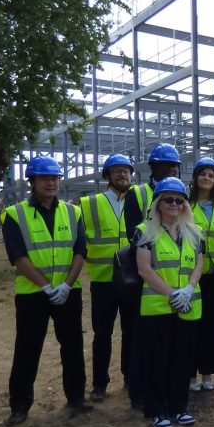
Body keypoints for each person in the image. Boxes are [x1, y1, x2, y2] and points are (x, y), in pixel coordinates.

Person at [1, 155, 90, 425]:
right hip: (33, 294)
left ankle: (76, 397)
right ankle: (20, 405)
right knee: (28, 348)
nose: (51, 182)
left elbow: (79, 251)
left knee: (73, 344)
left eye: (54, 177)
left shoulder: (73, 212)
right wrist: (46, 286)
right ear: (32, 181)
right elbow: (18, 256)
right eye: (44, 178)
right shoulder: (15, 214)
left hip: (67, 291)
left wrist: (65, 284)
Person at [133, 177, 202, 427]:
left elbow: (199, 264)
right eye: (169, 200)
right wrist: (173, 294)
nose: (175, 204)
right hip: (158, 308)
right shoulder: (144, 231)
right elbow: (144, 270)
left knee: (181, 360)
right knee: (157, 360)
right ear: (158, 204)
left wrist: (189, 288)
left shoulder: (194, 232)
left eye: (179, 200)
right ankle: (156, 410)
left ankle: (178, 407)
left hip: (188, 306)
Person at [79, 153, 135, 402]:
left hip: (133, 278)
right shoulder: (89, 203)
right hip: (103, 279)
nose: (122, 174)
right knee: (102, 334)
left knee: (132, 332)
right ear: (107, 176)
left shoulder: (140, 200)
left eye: (126, 170)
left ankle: (131, 378)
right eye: (117, 171)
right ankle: (99, 383)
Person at [188, 157, 214, 392]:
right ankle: (189, 374)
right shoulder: (185, 205)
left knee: (212, 324)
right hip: (191, 272)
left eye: (211, 175)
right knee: (191, 324)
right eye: (203, 174)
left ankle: (208, 373)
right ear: (195, 178)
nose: (206, 178)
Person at [124, 142, 180, 241]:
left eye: (174, 165)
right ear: (153, 166)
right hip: (147, 253)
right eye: (165, 165)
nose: (171, 168)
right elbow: (132, 234)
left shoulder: (182, 196)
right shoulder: (136, 193)